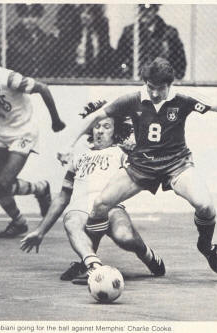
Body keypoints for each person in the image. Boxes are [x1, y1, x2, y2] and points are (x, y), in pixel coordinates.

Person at [58, 57, 217, 276]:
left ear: (170, 85)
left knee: (206, 207)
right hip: (141, 166)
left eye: (161, 88)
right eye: (151, 87)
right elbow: (96, 115)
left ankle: (206, 247)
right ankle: (89, 265)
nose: (156, 93)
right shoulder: (132, 99)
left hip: (176, 164)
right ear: (145, 83)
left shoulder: (183, 98)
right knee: (100, 204)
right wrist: (68, 143)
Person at [20, 101, 165, 283]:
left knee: (125, 238)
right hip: (81, 208)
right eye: (96, 126)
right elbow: (63, 197)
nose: (100, 131)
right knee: (71, 221)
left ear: (116, 130)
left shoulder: (121, 153)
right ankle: (93, 266)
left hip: (111, 206)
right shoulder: (80, 156)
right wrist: (40, 231)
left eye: (106, 126)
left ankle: (147, 254)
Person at [0, 38, 66, 238]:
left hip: (24, 130)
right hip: (1, 130)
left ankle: (39, 192)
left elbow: (43, 88)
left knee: (4, 181)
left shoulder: (9, 78)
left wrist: (56, 120)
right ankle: (25, 213)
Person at [116, 4, 186, 80]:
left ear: (156, 10)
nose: (144, 13)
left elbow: (180, 60)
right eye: (141, 9)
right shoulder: (130, 32)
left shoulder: (169, 33)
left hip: (161, 81)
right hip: (136, 78)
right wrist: (125, 72)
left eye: (148, 9)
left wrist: (173, 77)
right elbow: (119, 57)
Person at [7, 4, 55, 77]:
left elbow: (46, 54)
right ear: (20, 17)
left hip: (40, 75)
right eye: (26, 16)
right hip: (20, 74)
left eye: (33, 16)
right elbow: (24, 50)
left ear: (39, 17)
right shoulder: (13, 34)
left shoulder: (41, 34)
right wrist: (45, 43)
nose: (30, 20)